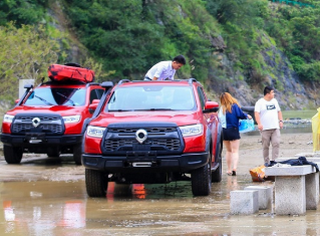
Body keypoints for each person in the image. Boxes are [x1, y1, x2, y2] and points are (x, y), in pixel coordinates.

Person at [219, 92, 252, 176]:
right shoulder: (234, 106)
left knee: (229, 151)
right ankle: (234, 168)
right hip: (233, 130)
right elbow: (240, 115)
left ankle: (229, 169)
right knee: (235, 151)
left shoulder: (221, 109)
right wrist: (247, 116)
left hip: (224, 131)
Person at [254, 86, 283, 167]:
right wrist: (259, 123)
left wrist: (280, 121)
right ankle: (266, 161)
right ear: (268, 94)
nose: (274, 94)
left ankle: (275, 160)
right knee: (265, 145)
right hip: (265, 128)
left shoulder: (274, 101)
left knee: (276, 143)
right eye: (272, 92)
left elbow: (279, 111)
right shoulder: (260, 102)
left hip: (275, 127)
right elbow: (256, 113)